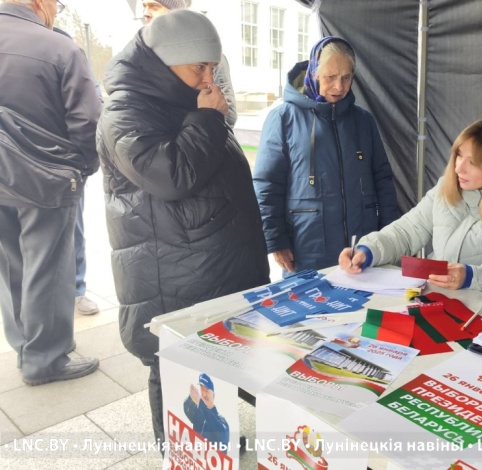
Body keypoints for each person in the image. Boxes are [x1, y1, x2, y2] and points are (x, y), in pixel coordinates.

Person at [97, 10, 270, 447]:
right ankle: (181, 449)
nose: (209, 77)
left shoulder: (186, 100)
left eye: (213, 67)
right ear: (166, 61)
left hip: (209, 262)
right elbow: (169, 175)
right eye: (200, 68)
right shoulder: (125, 109)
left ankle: (217, 438)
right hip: (171, 270)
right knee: (176, 364)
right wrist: (210, 120)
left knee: (214, 357)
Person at [339, 117, 482, 305]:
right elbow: (406, 231)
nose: (459, 168)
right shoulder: (446, 186)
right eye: (459, 155)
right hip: (435, 303)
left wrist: (472, 276)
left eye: (473, 162)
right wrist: (367, 251)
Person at [0, 0, 101, 385]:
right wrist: (81, 168)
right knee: (49, 270)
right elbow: (88, 121)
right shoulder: (59, 48)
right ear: (40, 2)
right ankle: (46, 360)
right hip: (45, 180)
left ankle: (25, 347)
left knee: (10, 267)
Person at [254, 36, 401, 274]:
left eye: (346, 77)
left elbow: (382, 179)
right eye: (330, 77)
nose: (339, 87)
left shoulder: (363, 121)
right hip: (306, 250)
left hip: (361, 249)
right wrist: (276, 241)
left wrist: (388, 236)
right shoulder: (283, 118)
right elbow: (266, 184)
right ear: (313, 73)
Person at [52, 26, 101, 317]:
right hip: (25, 165)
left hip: (65, 164)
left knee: (74, 229)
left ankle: (76, 289)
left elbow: (91, 105)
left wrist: (83, 163)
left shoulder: (66, 46)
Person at [140, 0, 237, 128]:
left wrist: (207, 115)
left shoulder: (209, 56)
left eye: (155, 7)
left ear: (175, 14)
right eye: (145, 6)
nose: (146, 13)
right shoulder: (141, 60)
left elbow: (227, 114)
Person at [184, 373, 230, 449]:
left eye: (207, 391)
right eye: (202, 390)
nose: (204, 394)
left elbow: (219, 430)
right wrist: (191, 396)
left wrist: (199, 402)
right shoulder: (199, 415)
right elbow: (187, 408)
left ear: (213, 395)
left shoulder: (221, 421)